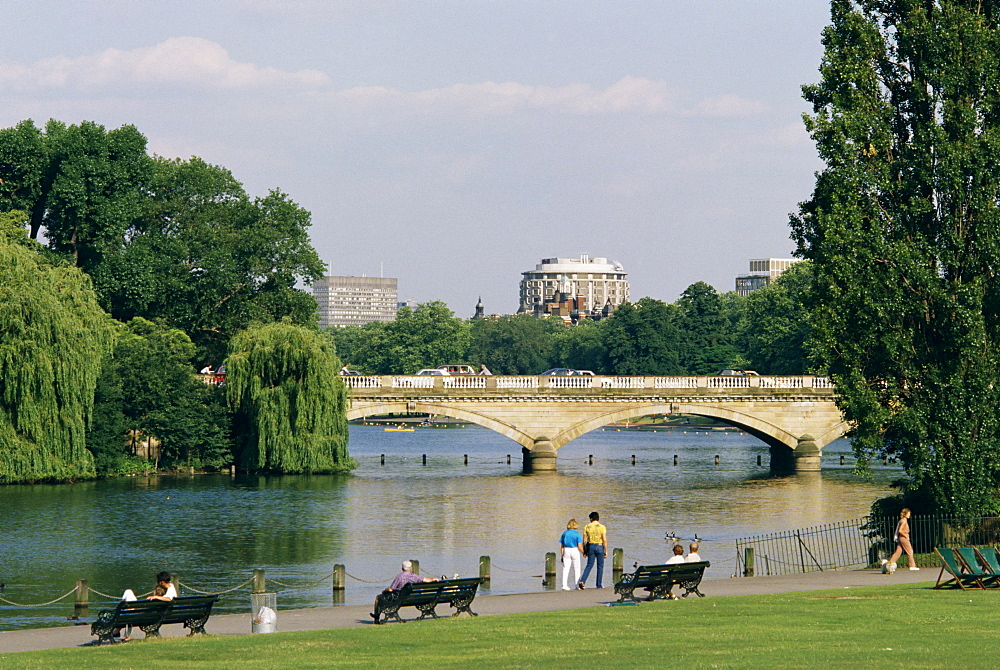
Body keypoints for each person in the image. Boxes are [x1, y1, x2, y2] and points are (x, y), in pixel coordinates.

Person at [371, 561, 438, 620]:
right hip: (411, 598)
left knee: (378, 598)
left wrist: (384, 590)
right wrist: (433, 579)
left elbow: (391, 589)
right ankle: (377, 616)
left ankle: (377, 616)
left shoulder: (400, 577)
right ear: (410, 568)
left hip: (398, 598)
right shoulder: (414, 577)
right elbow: (425, 579)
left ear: (402, 568)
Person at [578, 511, 608, 589]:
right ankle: (599, 584)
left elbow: (584, 540)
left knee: (589, 565)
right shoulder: (602, 527)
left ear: (591, 519)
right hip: (599, 546)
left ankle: (583, 581)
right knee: (600, 566)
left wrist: (585, 551)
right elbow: (604, 539)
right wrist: (606, 551)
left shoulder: (587, 527)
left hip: (591, 546)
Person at [883, 508, 918, 574]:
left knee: (898, 552)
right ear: (905, 514)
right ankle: (912, 566)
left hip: (901, 538)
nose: (909, 515)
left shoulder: (902, 520)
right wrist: (905, 535)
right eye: (908, 514)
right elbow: (900, 530)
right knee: (910, 551)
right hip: (903, 538)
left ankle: (889, 565)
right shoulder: (903, 521)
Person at [559, 519, 584, 591]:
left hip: (566, 550)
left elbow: (562, 546)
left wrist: (562, 555)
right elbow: (579, 546)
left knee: (565, 568)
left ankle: (564, 585)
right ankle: (577, 584)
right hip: (574, 549)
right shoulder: (577, 534)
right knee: (577, 568)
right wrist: (584, 552)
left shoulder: (564, 533)